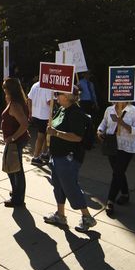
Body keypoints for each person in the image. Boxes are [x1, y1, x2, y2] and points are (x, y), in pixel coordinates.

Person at [43, 88, 98, 233]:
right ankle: (60, 215)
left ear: (67, 96)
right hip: (57, 155)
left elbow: (77, 137)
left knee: (70, 187)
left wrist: (55, 133)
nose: (56, 97)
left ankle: (87, 217)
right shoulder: (61, 109)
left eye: (58, 94)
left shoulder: (76, 113)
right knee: (58, 186)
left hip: (69, 157)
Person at [97, 99, 135, 217]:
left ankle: (110, 201)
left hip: (126, 147)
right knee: (119, 172)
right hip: (111, 145)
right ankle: (125, 194)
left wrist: (122, 123)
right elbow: (104, 122)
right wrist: (100, 130)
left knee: (117, 173)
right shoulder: (109, 109)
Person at [1, 78, 31, 207]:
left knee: (15, 169)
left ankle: (18, 199)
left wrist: (12, 138)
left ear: (9, 89)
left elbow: (24, 124)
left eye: (4, 88)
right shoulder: (16, 101)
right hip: (15, 140)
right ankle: (16, 192)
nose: (3, 90)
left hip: (15, 141)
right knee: (12, 168)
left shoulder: (15, 104)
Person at [27, 79, 53, 165]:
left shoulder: (35, 85)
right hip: (44, 115)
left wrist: (30, 112)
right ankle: (35, 157)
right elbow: (50, 102)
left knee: (45, 134)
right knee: (41, 136)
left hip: (36, 114)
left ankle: (44, 153)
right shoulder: (48, 87)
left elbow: (29, 99)